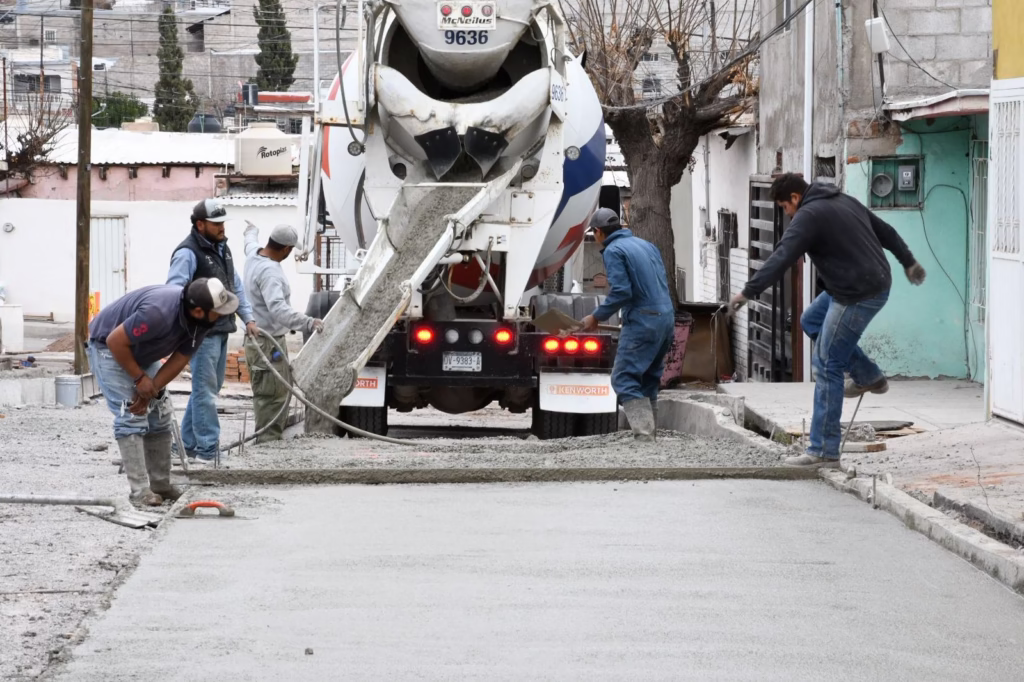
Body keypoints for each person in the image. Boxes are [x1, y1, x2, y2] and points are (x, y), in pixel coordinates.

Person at [729, 173, 927, 469]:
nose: (787, 214)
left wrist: (747, 292)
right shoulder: (844, 200)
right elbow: (887, 232)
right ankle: (868, 375)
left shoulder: (808, 216)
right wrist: (908, 262)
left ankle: (823, 451)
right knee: (811, 320)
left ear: (795, 197)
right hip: (866, 283)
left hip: (857, 293)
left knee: (827, 364)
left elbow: (781, 257)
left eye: (785, 207)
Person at [87, 279, 238, 505]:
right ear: (198, 310)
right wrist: (139, 378)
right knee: (131, 416)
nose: (222, 316)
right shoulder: (158, 313)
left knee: (160, 415)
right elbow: (115, 341)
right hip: (109, 348)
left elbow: (181, 358)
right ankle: (140, 492)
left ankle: (161, 485)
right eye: (218, 311)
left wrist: (152, 388)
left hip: (142, 353)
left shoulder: (202, 322)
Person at [168, 198, 259, 466]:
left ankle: (186, 445)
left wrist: (248, 318)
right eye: (216, 223)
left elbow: (234, 285)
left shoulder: (222, 248)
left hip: (220, 329)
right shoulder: (187, 253)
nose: (222, 227)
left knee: (207, 389)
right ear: (200, 224)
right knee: (205, 392)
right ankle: (208, 451)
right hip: (201, 334)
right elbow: (174, 292)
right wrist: (185, 327)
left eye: (222, 222)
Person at [581, 208, 675, 442]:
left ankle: (644, 437)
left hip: (643, 320)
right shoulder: (646, 245)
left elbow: (622, 291)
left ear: (598, 231)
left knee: (623, 378)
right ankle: (650, 438)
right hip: (666, 319)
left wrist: (596, 316)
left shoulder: (614, 250)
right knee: (648, 378)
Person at [242, 222, 324, 442]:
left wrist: (251, 230)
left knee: (275, 391)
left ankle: (269, 439)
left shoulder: (254, 255)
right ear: (286, 249)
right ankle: (267, 443)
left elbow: (249, 242)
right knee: (272, 396)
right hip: (266, 343)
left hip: (261, 340)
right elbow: (278, 309)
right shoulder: (270, 273)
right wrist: (308, 322)